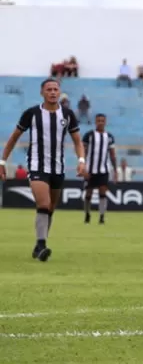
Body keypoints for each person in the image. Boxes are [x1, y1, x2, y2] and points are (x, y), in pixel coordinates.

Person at [0, 78, 86, 261]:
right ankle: (41, 246)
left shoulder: (68, 114)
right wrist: (2, 162)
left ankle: (39, 243)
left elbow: (78, 141)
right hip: (37, 165)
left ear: (59, 92)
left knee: (50, 209)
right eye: (49, 89)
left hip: (58, 167)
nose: (53, 92)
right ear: (42, 93)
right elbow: (13, 138)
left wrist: (81, 160)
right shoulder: (31, 114)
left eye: (55, 89)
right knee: (44, 204)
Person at [83, 114, 118, 225]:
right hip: (90, 169)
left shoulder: (109, 137)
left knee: (102, 193)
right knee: (88, 193)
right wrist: (82, 167)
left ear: (105, 122)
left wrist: (115, 170)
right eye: (98, 120)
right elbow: (84, 152)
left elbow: (112, 155)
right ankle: (87, 214)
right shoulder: (89, 135)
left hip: (103, 170)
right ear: (95, 122)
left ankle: (102, 216)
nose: (100, 122)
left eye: (102, 121)